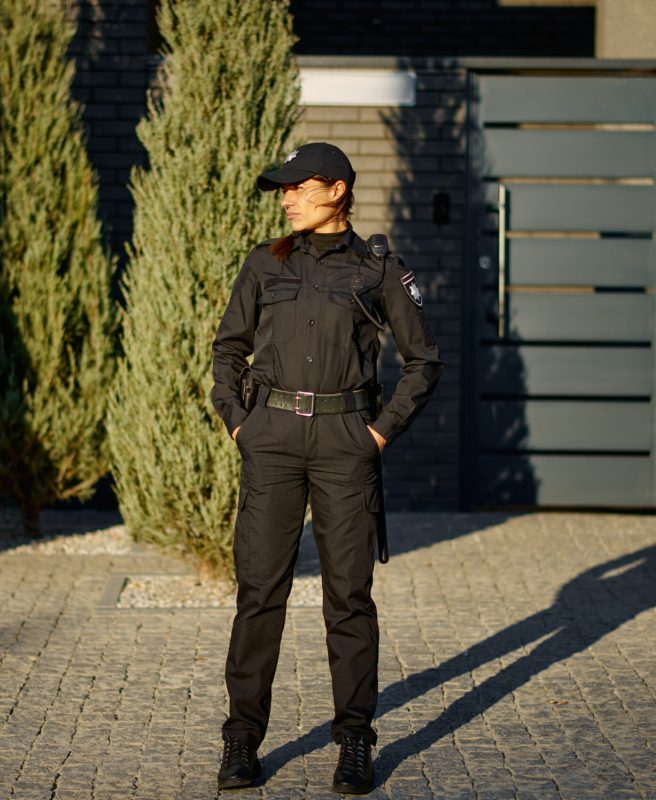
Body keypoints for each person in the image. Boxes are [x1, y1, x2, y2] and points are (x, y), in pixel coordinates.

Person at [210, 142, 443, 794]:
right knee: (260, 593)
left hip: (346, 442)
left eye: (296, 186)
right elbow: (227, 349)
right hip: (273, 440)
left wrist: (378, 434)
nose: (285, 197)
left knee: (348, 598)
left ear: (336, 189)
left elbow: (424, 361)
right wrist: (239, 423)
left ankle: (355, 742)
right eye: (281, 189)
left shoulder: (378, 270)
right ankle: (241, 740)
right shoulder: (264, 263)